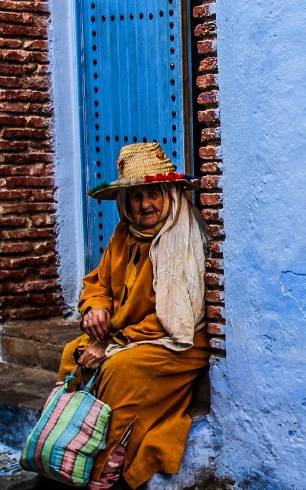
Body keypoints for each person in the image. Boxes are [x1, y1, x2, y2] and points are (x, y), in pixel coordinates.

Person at [39, 142, 209, 489]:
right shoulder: (124, 233)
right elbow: (97, 283)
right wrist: (95, 308)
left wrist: (111, 345)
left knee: (118, 369)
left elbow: (175, 318)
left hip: (176, 343)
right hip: (128, 336)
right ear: (124, 201)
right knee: (73, 354)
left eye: (153, 194)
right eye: (135, 196)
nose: (145, 204)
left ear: (169, 192)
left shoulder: (181, 235)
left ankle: (101, 468)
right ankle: (67, 449)